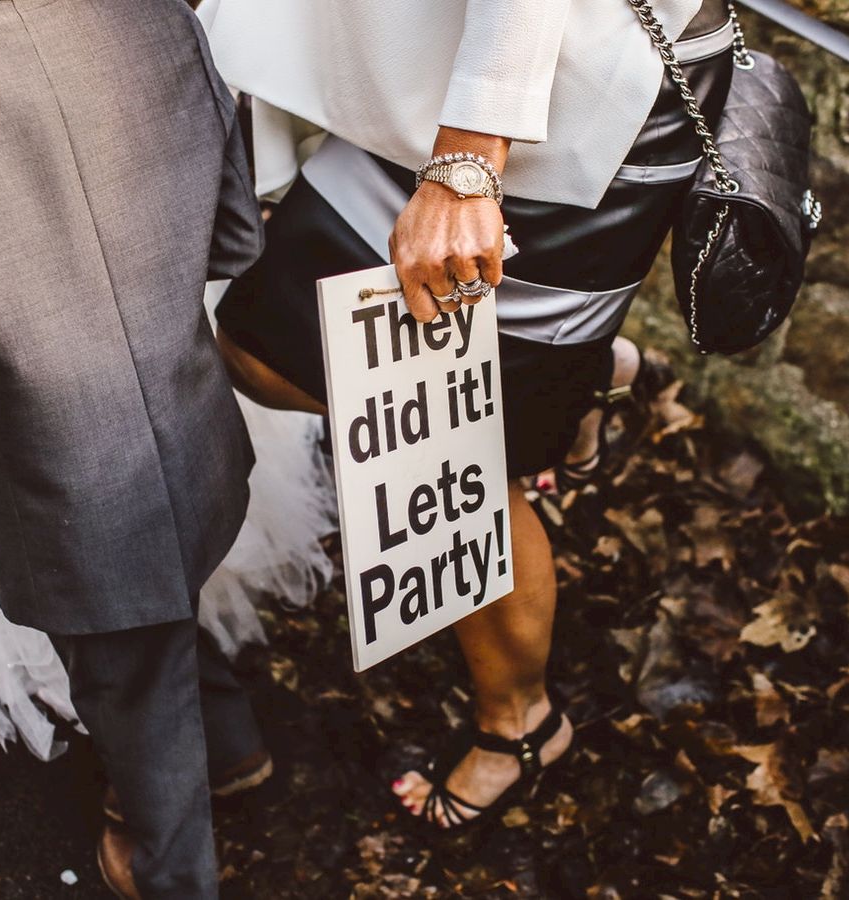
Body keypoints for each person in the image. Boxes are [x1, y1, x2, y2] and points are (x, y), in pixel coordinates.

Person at [0, 0, 326, 895]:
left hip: (61, 480)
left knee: (124, 679)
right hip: (199, 433)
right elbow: (233, 239)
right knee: (164, 611)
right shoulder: (163, 18)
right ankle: (232, 749)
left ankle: (171, 872)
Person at [199, 0, 736, 828]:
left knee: (443, 446)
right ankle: (574, 384)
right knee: (255, 345)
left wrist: (465, 166)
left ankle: (521, 722)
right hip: (421, 80)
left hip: (551, 101)